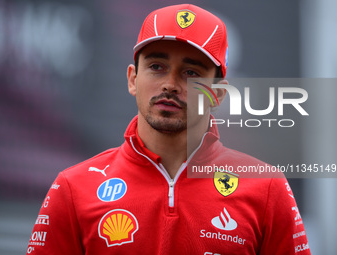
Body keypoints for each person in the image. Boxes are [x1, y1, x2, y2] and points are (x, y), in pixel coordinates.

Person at [27, 4, 311, 255]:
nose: (170, 84)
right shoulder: (73, 187)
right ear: (132, 79)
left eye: (191, 72)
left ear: (219, 94)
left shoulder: (267, 187)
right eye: (157, 66)